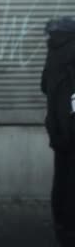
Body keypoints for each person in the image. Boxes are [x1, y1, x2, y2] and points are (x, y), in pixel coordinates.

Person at [41, 16, 75, 246]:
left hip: (56, 127)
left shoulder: (53, 53)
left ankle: (61, 224)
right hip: (71, 128)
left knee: (61, 178)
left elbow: (44, 86)